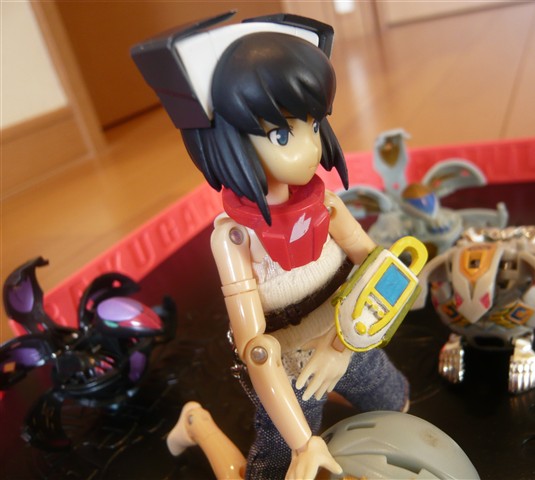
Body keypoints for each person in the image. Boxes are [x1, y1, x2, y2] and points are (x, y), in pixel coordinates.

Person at [133, 14, 409, 479]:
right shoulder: (235, 239)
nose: (309, 149)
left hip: (349, 337)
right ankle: (197, 423)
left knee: (398, 405)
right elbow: (257, 349)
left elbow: (384, 269)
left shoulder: (328, 205)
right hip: (291, 370)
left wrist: (341, 347)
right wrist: (304, 444)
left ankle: (332, 394)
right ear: (223, 141)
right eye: (281, 135)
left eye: (314, 126)